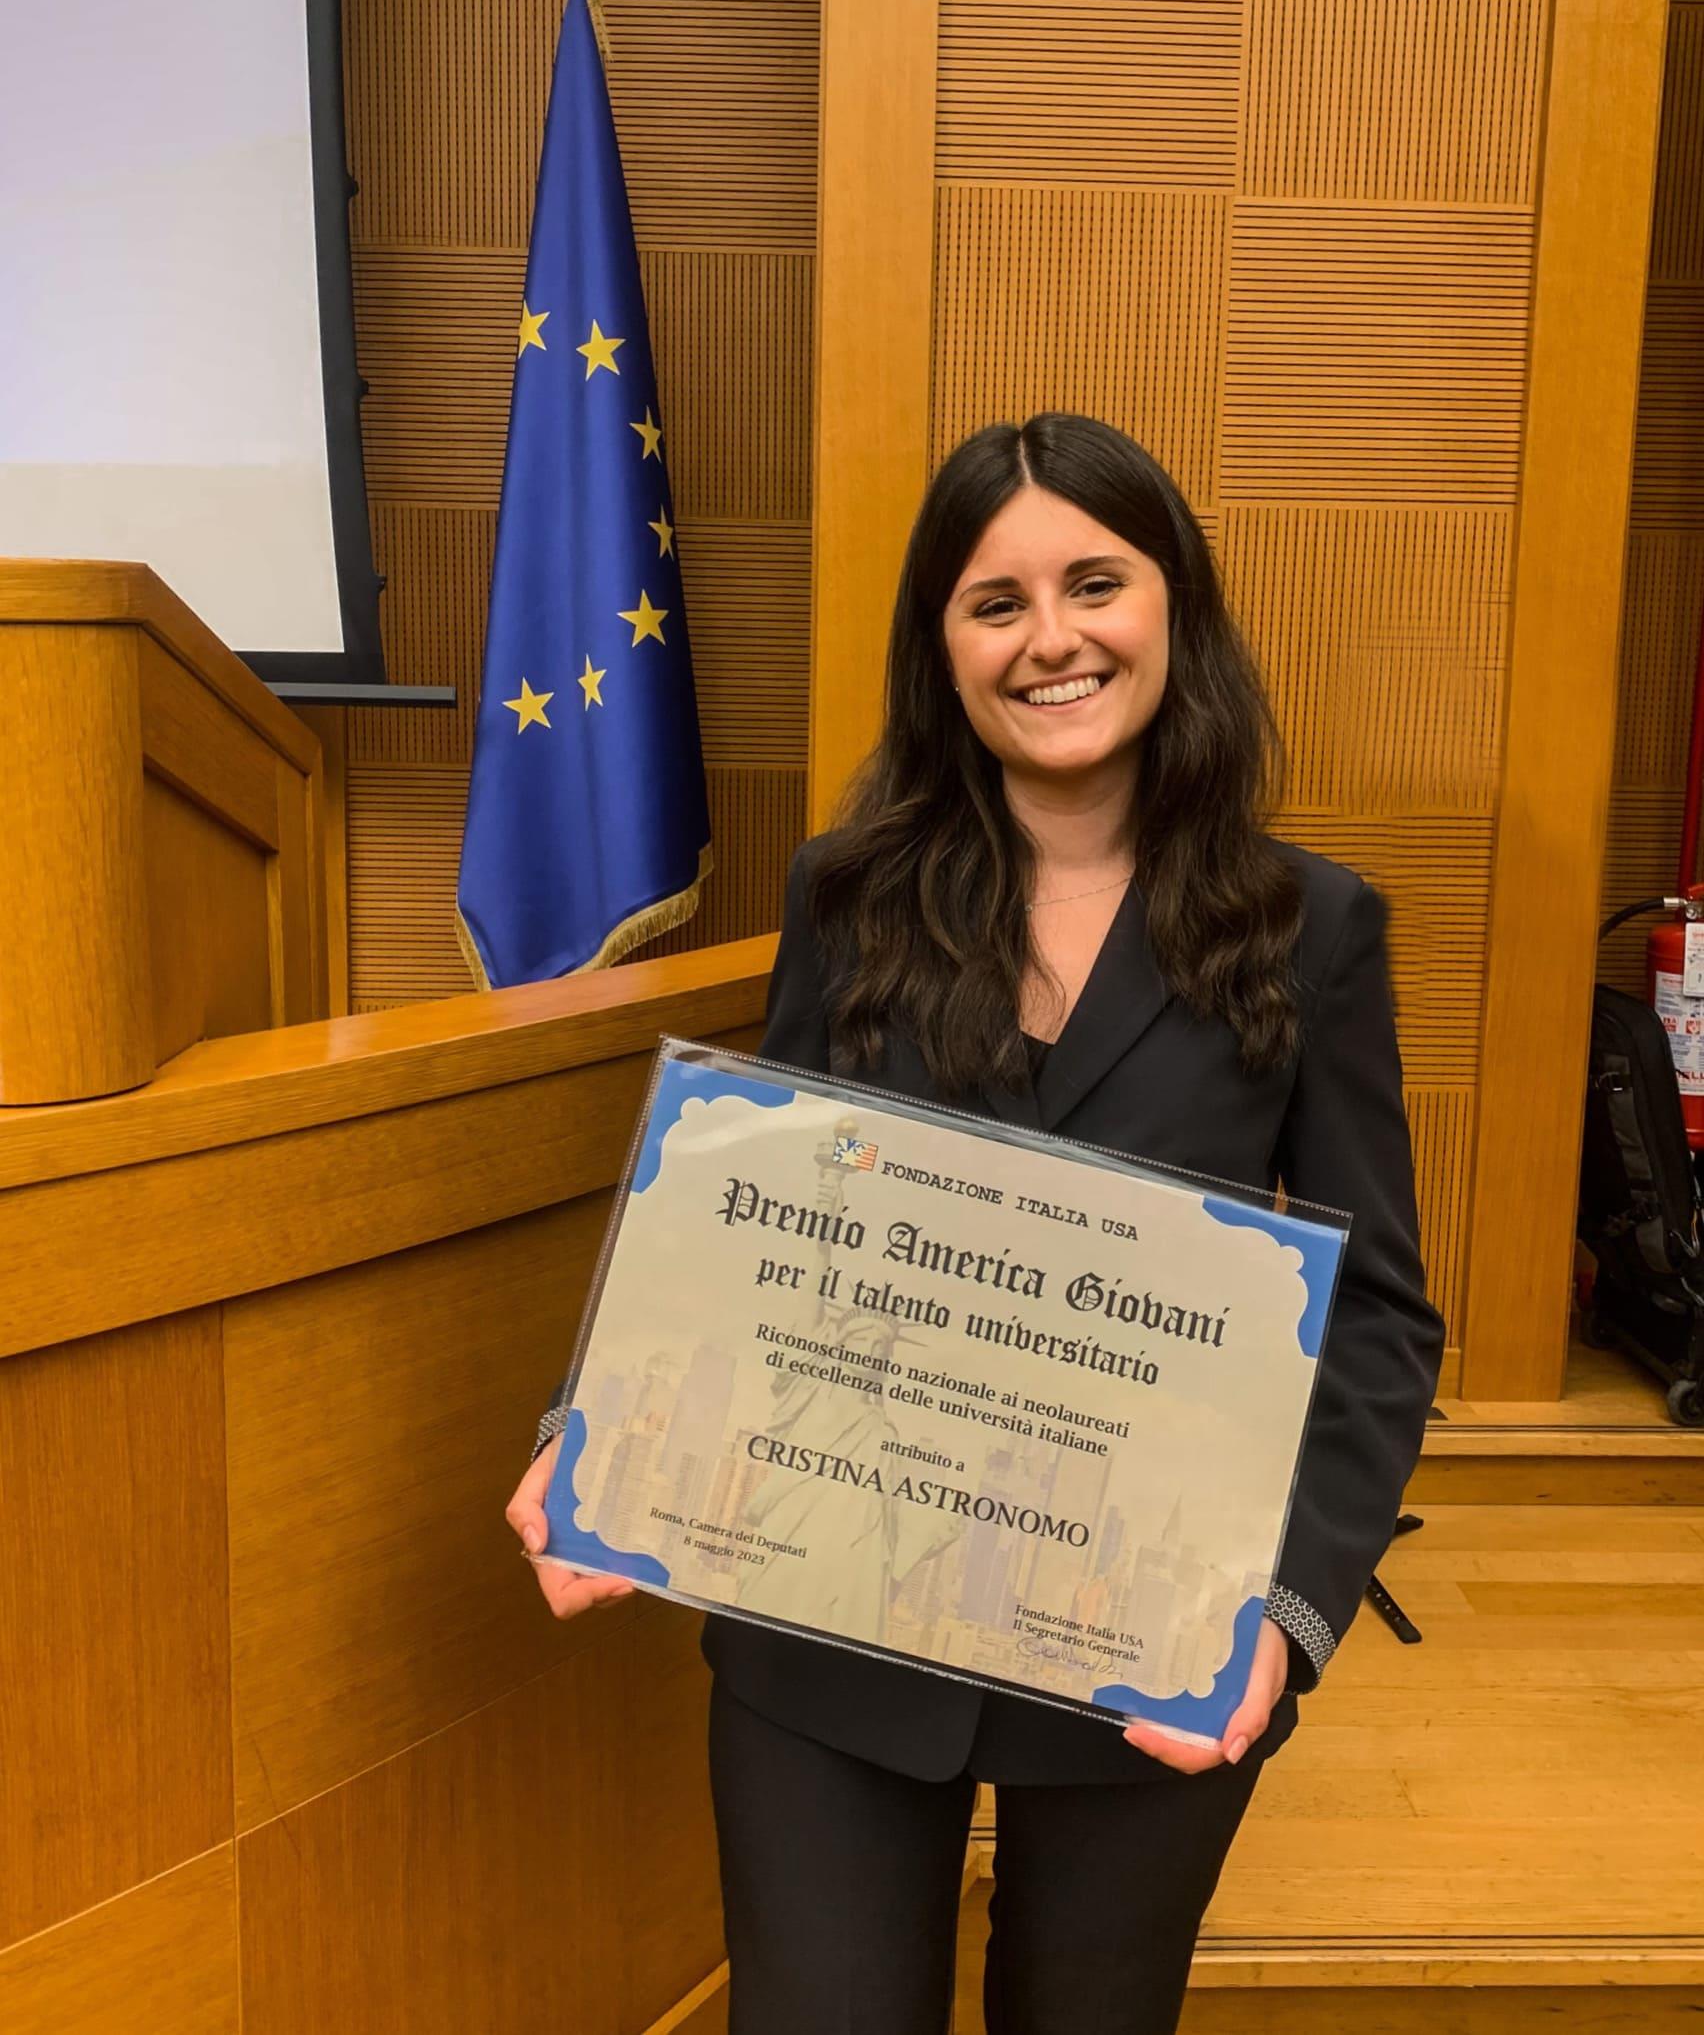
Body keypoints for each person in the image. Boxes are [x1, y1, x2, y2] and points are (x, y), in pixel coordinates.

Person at [507, 412, 1446, 2035]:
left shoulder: (1313, 927)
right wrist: (598, 1436)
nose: (1051, 638)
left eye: (1096, 583)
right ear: (941, 648)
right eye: (995, 602)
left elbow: (1376, 1315)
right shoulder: (845, 895)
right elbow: (753, 1231)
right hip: (833, 1610)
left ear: (1175, 607)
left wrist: (1287, 1610)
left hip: (1145, 1629)